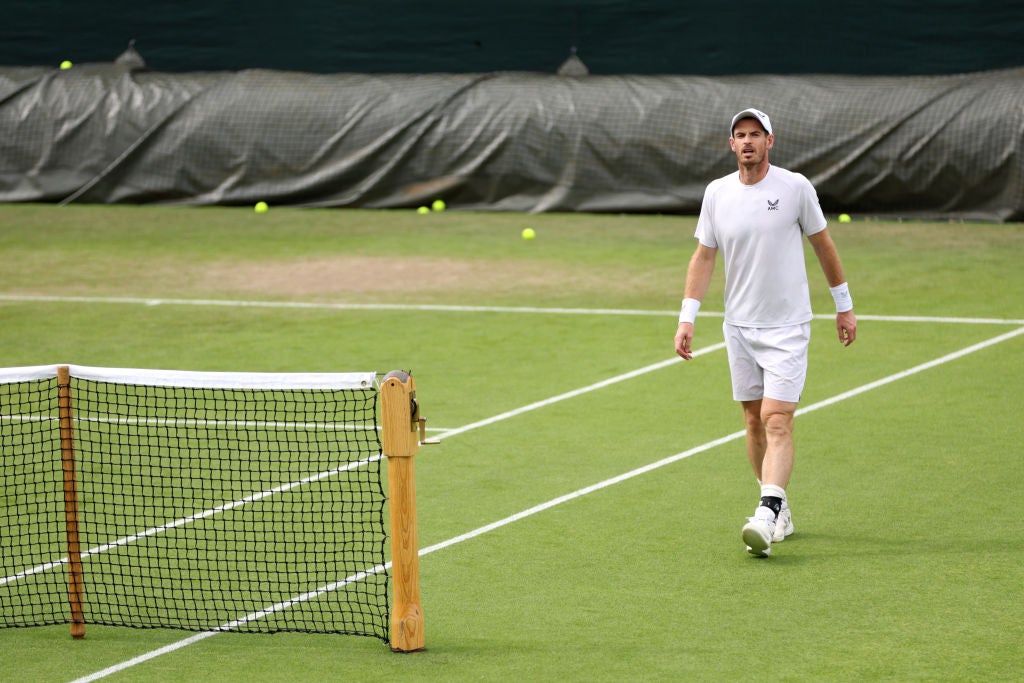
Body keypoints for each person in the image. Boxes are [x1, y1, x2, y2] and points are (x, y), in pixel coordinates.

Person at [673, 108, 857, 557]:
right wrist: (687, 316)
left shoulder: (795, 188)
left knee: (778, 419)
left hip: (789, 327)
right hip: (738, 327)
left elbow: (823, 245)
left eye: (756, 134)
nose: (748, 141)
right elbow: (703, 256)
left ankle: (767, 512)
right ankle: (776, 503)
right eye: (741, 135)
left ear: (770, 141)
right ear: (731, 144)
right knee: (753, 422)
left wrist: (844, 307)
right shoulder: (717, 193)